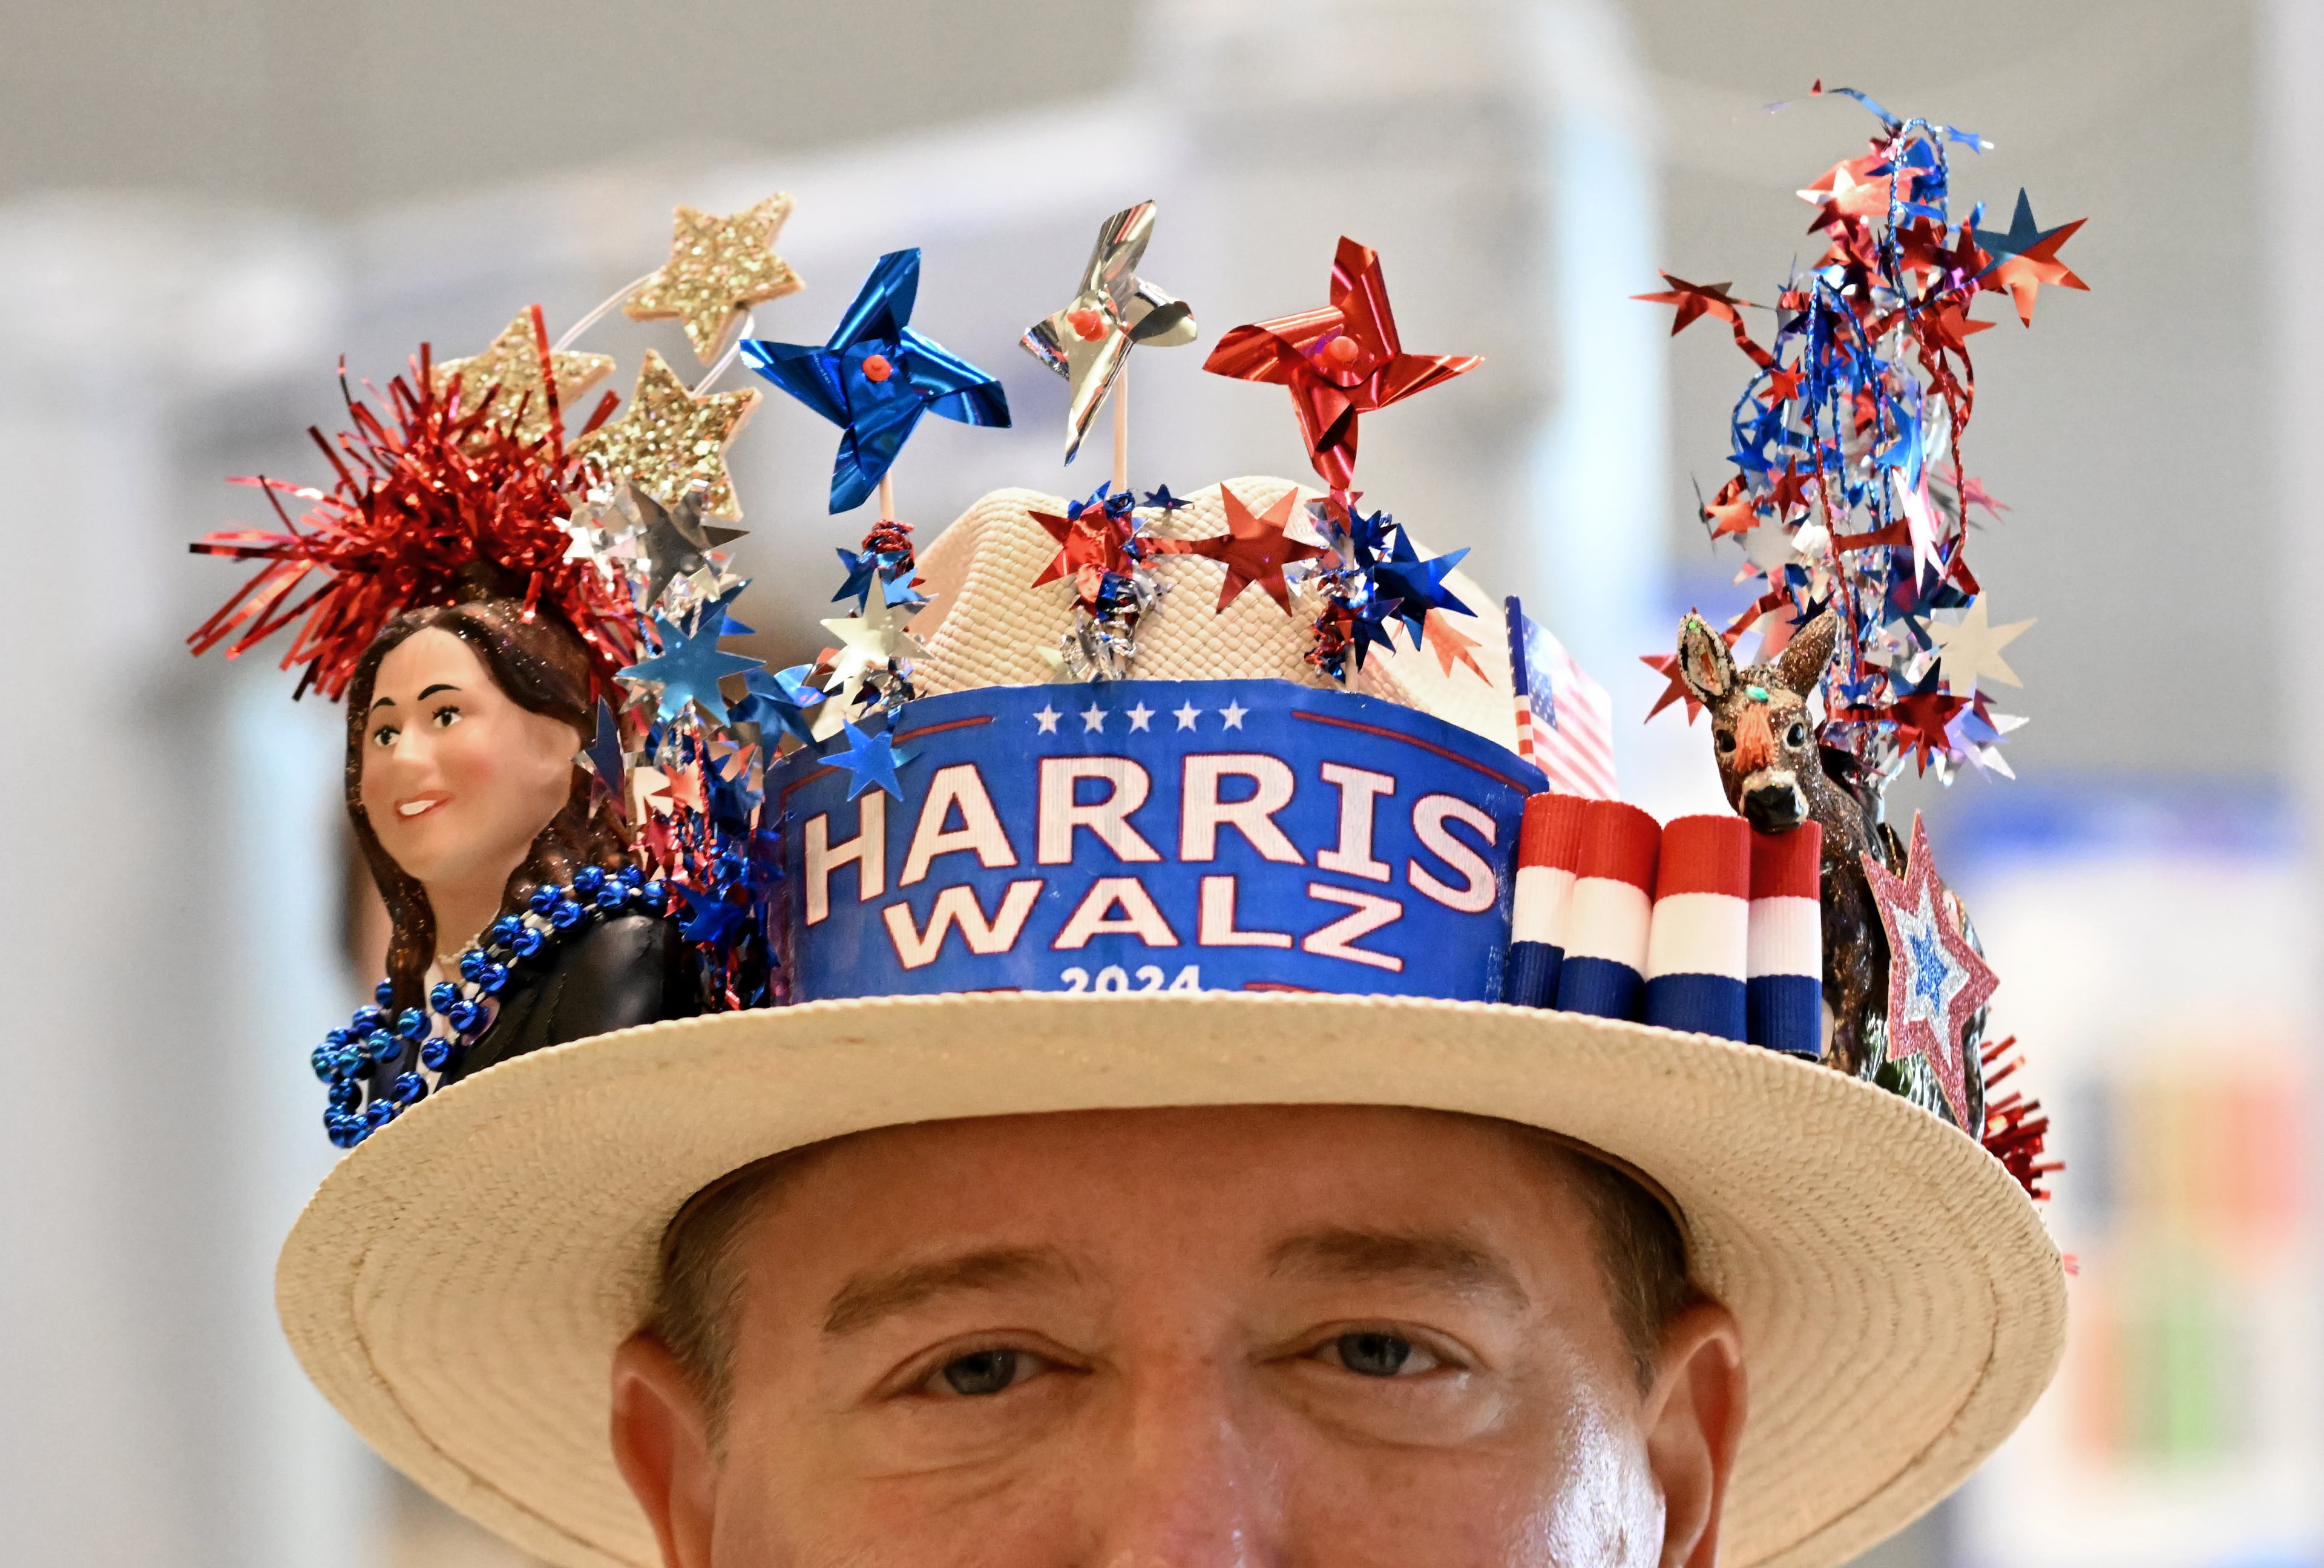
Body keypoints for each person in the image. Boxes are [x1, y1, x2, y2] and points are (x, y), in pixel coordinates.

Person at [346, 599, 698, 1088]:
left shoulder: (614, 957)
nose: (404, 756)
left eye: (446, 714)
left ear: (557, 746)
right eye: (383, 732)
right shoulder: (403, 1045)